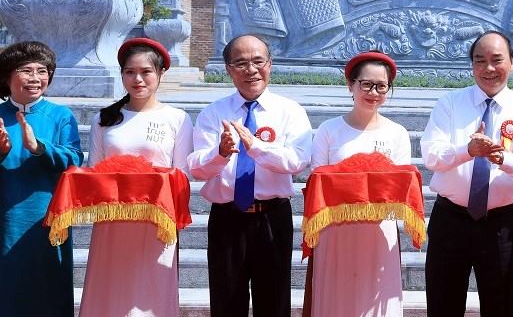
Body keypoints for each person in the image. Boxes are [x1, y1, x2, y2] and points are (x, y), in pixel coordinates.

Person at [421, 31, 513, 317]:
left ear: (512, 63)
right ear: (472, 65)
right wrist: (467, 150)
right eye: (480, 60)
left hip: (500, 224)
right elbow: (431, 155)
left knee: (500, 307)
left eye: (497, 60)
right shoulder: (450, 104)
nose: (489, 68)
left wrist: (502, 158)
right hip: (450, 220)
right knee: (442, 305)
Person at [187, 34, 313, 317]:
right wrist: (220, 153)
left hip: (272, 217)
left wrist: (256, 148)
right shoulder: (213, 113)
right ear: (229, 69)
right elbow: (196, 167)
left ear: (270, 64)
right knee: (226, 299)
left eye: (258, 61)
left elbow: (297, 160)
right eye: (241, 63)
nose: (251, 70)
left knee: (274, 300)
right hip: (227, 217)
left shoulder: (290, 111)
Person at [79, 37, 193, 317]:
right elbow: (95, 170)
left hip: (156, 222)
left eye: (146, 72)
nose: (138, 79)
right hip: (112, 221)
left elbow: (182, 175)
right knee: (110, 290)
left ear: (161, 74)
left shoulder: (177, 118)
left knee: (151, 292)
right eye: (130, 72)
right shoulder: (104, 119)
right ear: (121, 75)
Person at [305, 51, 412, 317]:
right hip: (335, 232)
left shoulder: (397, 133)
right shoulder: (329, 130)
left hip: (379, 232)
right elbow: (317, 179)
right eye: (366, 84)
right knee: (336, 302)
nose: (373, 92)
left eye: (381, 86)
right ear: (350, 85)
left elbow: (401, 187)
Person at [0, 41, 84, 315]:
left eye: (42, 70)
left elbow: (74, 158)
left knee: (48, 290)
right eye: (26, 70)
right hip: (5, 217)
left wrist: (39, 148)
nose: (36, 78)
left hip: (48, 217)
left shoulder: (61, 116)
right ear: (7, 75)